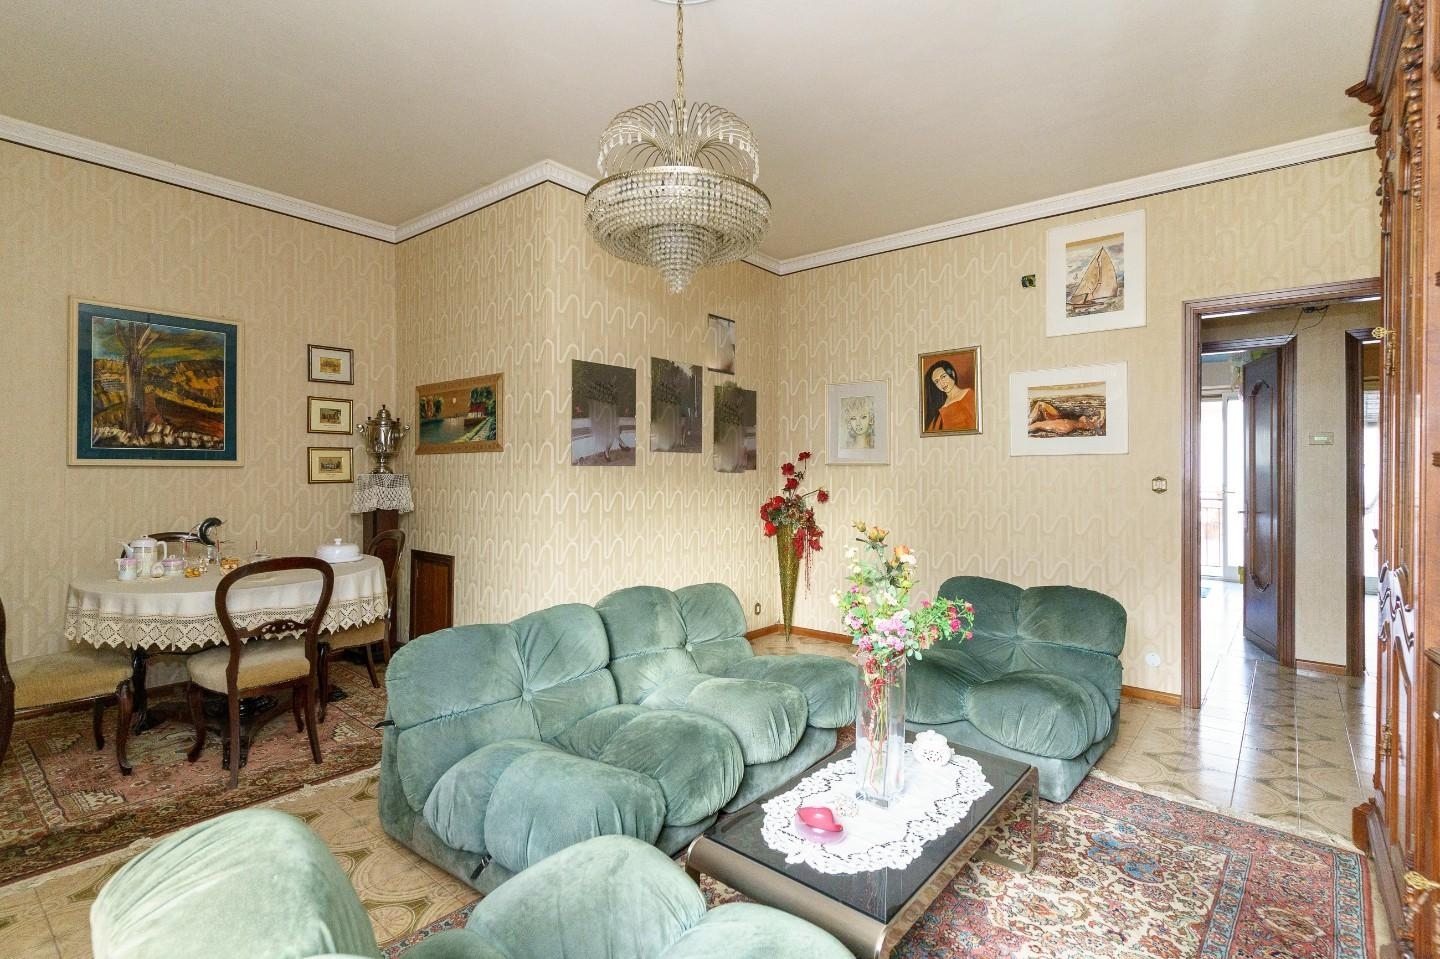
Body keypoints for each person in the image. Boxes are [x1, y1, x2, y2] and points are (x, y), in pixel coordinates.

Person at [924, 360, 976, 432]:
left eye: (943, 377)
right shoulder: (941, 408)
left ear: (952, 374)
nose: (942, 383)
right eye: (937, 381)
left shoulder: (968, 394)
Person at [1027, 400, 1104, 436]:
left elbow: (1101, 415)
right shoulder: (1088, 421)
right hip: (1063, 420)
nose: (1094, 418)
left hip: (1065, 425)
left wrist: (1099, 417)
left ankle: (1027, 425)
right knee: (1041, 404)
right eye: (1095, 417)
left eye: (1096, 418)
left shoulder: (1090, 424)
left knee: (1037, 424)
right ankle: (1028, 422)